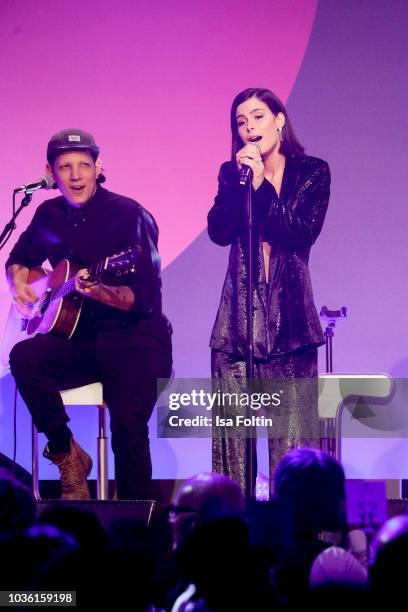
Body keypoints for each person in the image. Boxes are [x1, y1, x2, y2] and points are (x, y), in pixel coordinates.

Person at [5, 128, 172, 500]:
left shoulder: (129, 215)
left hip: (135, 338)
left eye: (84, 165)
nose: (76, 175)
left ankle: (134, 525)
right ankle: (67, 454)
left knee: (127, 429)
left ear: (99, 167)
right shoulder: (48, 213)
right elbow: (17, 261)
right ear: (51, 171)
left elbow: (145, 300)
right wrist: (25, 291)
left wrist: (101, 291)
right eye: (65, 167)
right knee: (24, 356)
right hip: (79, 338)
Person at [208, 87, 330, 497]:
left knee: (293, 454)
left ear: (279, 119)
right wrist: (239, 185)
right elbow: (219, 232)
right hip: (236, 326)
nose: (249, 128)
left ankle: (296, 545)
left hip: (290, 326)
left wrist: (261, 186)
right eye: (241, 122)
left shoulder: (313, 172)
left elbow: (298, 233)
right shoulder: (233, 174)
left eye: (258, 117)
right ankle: (231, 540)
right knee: (232, 457)